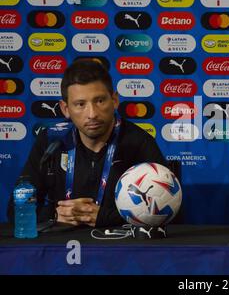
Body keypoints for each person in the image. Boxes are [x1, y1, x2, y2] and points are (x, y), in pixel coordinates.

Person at [7, 59, 166, 227]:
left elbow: (166, 213)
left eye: (100, 101)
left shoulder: (140, 143)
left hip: (118, 249)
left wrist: (106, 218)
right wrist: (54, 214)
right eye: (80, 104)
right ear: (65, 109)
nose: (92, 114)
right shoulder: (50, 141)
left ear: (115, 100)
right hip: (60, 248)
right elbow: (16, 209)